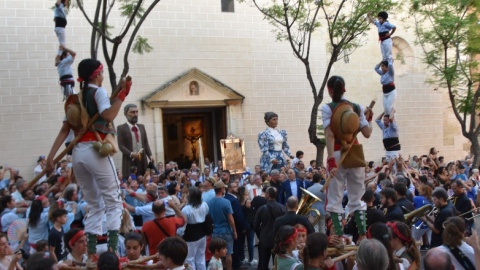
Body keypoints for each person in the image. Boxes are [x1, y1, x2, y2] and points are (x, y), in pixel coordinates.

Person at [46, 58, 130, 262]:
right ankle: (112, 251)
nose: (102, 77)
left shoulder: (74, 98)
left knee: (94, 204)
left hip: (78, 154)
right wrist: (121, 96)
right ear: (95, 75)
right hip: (96, 149)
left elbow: (65, 129)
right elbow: (108, 115)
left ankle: (91, 253)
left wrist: (51, 157)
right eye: (101, 73)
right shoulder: (98, 92)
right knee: (114, 201)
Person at [321, 75, 373, 239]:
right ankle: (362, 235)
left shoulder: (328, 108)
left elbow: (329, 135)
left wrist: (331, 161)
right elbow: (367, 133)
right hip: (355, 154)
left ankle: (339, 236)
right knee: (357, 196)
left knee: (335, 198)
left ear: (329, 90)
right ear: (345, 88)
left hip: (337, 153)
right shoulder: (357, 108)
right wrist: (368, 119)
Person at [117, 104, 154, 177]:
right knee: (131, 180)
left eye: (137, 112)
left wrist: (150, 155)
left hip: (142, 160)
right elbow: (121, 145)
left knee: (144, 179)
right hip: (129, 160)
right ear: (125, 114)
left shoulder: (141, 127)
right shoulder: (121, 128)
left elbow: (146, 143)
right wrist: (131, 154)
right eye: (132, 112)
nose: (135, 114)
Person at [254, 187, 285, 270]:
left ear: (268, 195)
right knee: (278, 264)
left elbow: (255, 225)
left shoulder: (261, 209)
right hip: (277, 240)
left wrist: (261, 234)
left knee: (263, 264)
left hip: (264, 239)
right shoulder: (282, 208)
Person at [207, 181, 236, 270]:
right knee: (228, 253)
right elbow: (230, 218)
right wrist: (234, 230)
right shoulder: (226, 202)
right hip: (226, 230)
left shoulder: (209, 202)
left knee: (217, 253)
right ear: (222, 189)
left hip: (215, 230)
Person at [181, 187, 209, 270]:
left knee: (190, 259)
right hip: (202, 234)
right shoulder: (204, 204)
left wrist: (180, 235)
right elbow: (206, 214)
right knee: (200, 258)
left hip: (190, 237)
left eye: (188, 194)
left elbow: (183, 225)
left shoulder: (186, 209)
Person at [224, 182, 249, 269]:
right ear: (230, 189)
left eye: (237, 186)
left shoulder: (227, 198)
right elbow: (238, 215)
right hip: (237, 227)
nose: (237, 188)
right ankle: (237, 264)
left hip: (230, 226)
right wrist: (244, 227)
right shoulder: (233, 200)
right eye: (234, 187)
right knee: (236, 246)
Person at [54, 0, 69, 65]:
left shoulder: (61, 7)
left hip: (60, 28)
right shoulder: (59, 6)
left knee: (62, 45)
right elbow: (57, 3)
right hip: (60, 28)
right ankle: (57, 58)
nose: (67, 3)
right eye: (66, 1)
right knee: (62, 45)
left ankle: (58, 58)